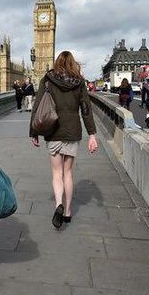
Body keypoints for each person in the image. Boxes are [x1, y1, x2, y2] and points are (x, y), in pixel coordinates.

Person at [29, 51, 98, 229]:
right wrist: (92, 134)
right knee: (68, 173)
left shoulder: (48, 79)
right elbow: (86, 109)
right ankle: (67, 212)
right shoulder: (79, 82)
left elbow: (37, 105)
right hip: (72, 131)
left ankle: (58, 203)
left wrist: (33, 131)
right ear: (73, 63)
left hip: (53, 130)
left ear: (57, 62)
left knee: (56, 174)